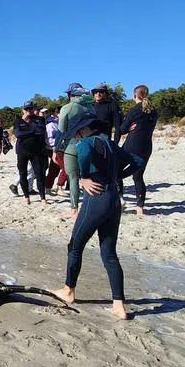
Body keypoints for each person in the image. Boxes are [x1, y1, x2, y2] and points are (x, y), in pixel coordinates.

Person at [52, 112, 142, 320]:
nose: (76, 137)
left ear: (83, 129)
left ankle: (68, 291)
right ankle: (119, 305)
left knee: (75, 246)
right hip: (114, 201)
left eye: (76, 133)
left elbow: (83, 152)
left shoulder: (87, 142)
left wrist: (84, 178)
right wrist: (117, 175)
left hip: (96, 199)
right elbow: (137, 161)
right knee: (109, 254)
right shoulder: (109, 143)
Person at [55, 83, 96, 216]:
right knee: (89, 176)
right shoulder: (91, 106)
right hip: (90, 144)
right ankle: (90, 206)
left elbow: (61, 130)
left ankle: (74, 208)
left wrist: (56, 149)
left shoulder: (67, 107)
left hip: (71, 145)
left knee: (73, 178)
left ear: (71, 95)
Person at [120, 85, 159, 215]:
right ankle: (140, 207)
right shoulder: (154, 110)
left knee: (117, 171)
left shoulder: (134, 110)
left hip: (131, 146)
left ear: (134, 95)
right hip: (146, 147)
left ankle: (120, 201)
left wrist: (128, 128)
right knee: (138, 177)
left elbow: (122, 129)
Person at [11, 102, 48, 205]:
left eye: (30, 109)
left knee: (39, 174)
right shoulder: (17, 121)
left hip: (36, 151)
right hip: (22, 151)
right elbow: (18, 134)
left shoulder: (39, 119)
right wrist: (32, 132)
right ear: (23, 110)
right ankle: (26, 196)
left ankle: (43, 198)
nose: (29, 111)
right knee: (23, 174)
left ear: (33, 109)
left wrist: (26, 131)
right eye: (27, 109)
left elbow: (40, 130)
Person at [43, 110, 61, 192]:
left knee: (54, 168)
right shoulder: (50, 125)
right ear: (56, 114)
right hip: (52, 149)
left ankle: (48, 186)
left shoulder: (59, 124)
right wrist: (60, 141)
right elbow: (49, 140)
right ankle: (59, 186)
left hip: (59, 148)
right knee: (63, 166)